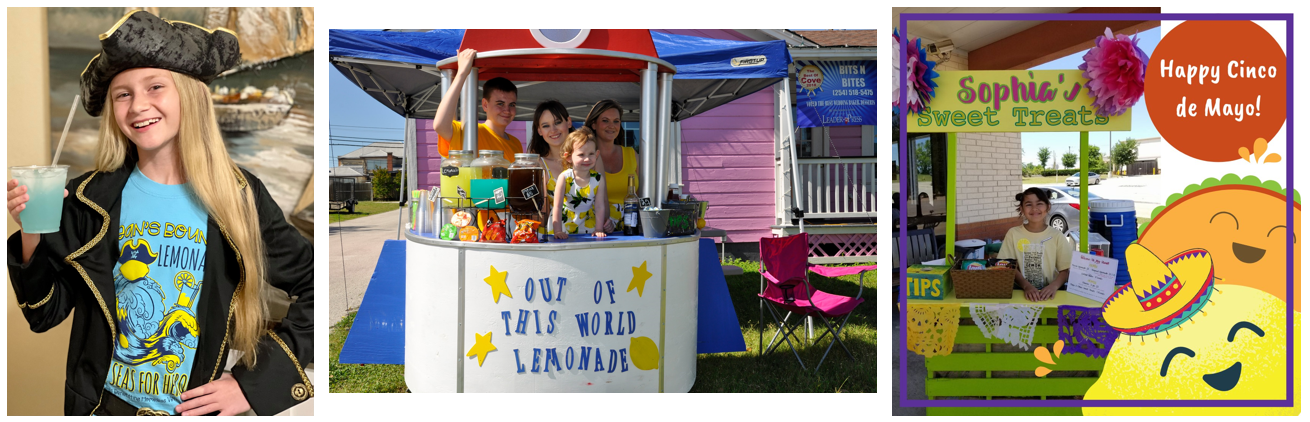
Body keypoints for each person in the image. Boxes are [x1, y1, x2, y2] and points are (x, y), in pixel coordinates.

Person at [6, 11, 312, 416]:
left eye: (155, 87)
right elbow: (44, 314)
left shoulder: (239, 196)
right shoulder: (86, 199)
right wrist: (31, 232)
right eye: (123, 94)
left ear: (189, 95)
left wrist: (252, 385)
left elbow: (313, 282)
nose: (138, 106)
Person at [434, 49, 522, 162]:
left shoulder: (516, 143)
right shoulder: (469, 131)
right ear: (485, 105)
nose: (507, 110)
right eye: (500, 103)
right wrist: (462, 73)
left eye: (512, 104)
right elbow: (440, 125)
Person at [997, 187, 1073, 302]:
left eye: (1039, 203)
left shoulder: (1056, 235)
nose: (1034, 208)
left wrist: (1053, 286)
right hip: (1020, 292)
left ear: (1048, 207)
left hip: (1050, 293)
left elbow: (1065, 269)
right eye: (1028, 204)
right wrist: (1026, 286)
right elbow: (1008, 265)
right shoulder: (1013, 233)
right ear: (1021, 209)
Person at [584, 99, 639, 233]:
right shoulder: (584, 158)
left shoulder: (631, 153)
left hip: (631, 230)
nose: (612, 126)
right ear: (594, 124)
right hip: (596, 230)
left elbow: (642, 195)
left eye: (616, 121)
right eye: (605, 120)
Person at [551, 127, 610, 239]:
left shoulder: (598, 179)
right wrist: (557, 231)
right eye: (581, 155)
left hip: (588, 224)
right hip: (564, 225)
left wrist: (599, 229)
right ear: (568, 157)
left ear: (597, 154)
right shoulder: (564, 177)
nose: (587, 159)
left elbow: (599, 206)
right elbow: (557, 207)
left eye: (591, 154)